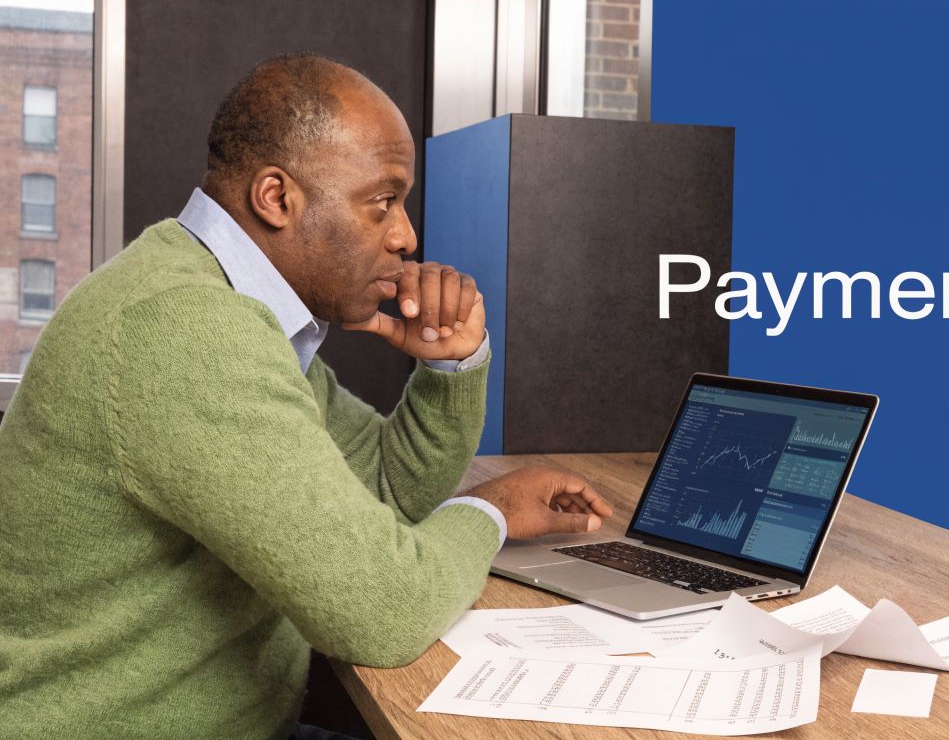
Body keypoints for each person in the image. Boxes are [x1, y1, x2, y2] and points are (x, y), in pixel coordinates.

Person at [0, 54, 613, 739]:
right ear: (276, 198)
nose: (407, 234)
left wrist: (452, 367)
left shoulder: (221, 303)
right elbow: (383, 612)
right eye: (382, 201)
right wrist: (490, 509)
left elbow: (384, 487)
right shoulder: (185, 329)